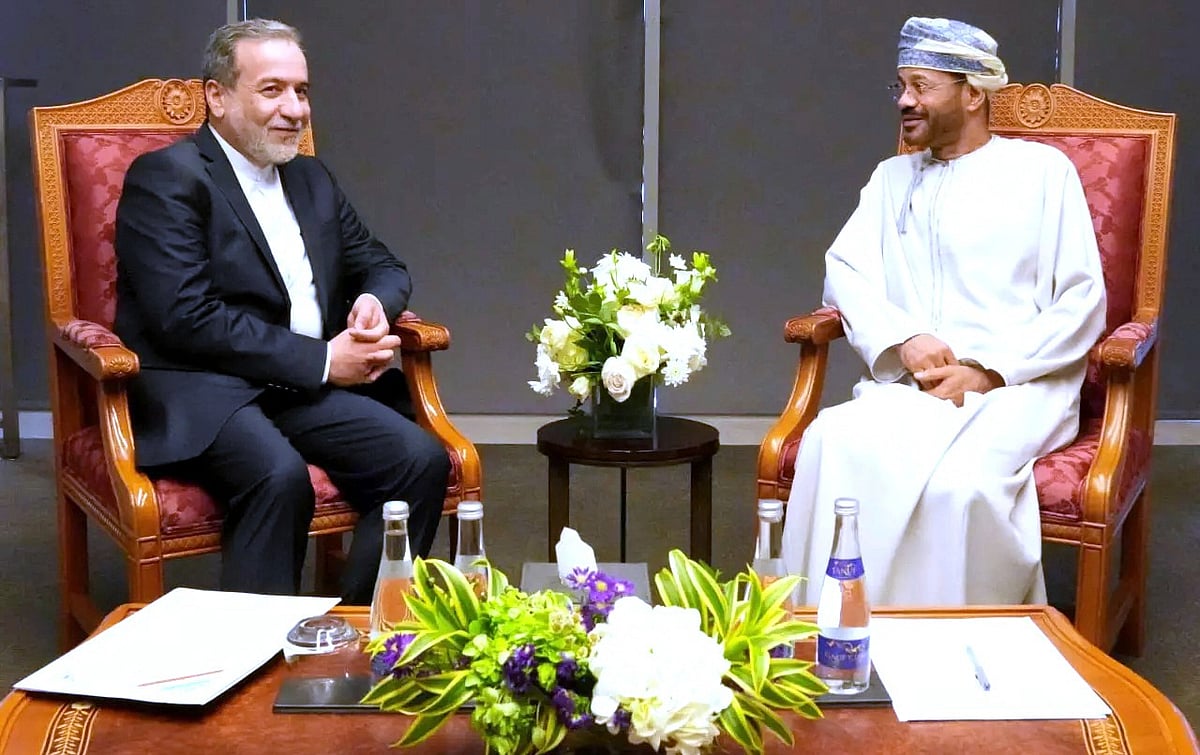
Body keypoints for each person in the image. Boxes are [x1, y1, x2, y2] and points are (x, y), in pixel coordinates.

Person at [114, 18, 450, 604]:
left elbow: (384, 265)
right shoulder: (167, 178)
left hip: (294, 385)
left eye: (302, 91)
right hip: (206, 388)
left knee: (417, 460)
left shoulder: (311, 178)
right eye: (272, 90)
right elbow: (184, 317)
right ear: (216, 97)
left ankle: (356, 633)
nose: (295, 108)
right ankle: (255, 667)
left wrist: (371, 304)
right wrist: (323, 360)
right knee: (277, 476)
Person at [781, 17, 1106, 606]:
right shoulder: (890, 178)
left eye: (921, 86)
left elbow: (1082, 300)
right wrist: (903, 337)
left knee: (961, 490)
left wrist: (987, 370)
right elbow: (845, 271)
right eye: (900, 86)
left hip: (1018, 386)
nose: (905, 101)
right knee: (831, 439)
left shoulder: (1042, 174)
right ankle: (834, 635)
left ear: (973, 93)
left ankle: (962, 658)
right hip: (915, 385)